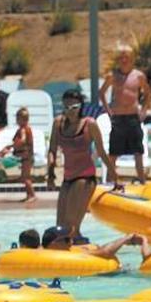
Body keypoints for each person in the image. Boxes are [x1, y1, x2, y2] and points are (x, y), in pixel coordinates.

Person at [48, 89, 114, 240]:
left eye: (74, 108)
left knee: (71, 227)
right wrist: (50, 173)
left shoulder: (89, 124)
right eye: (66, 108)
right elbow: (52, 150)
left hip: (85, 178)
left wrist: (115, 178)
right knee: (60, 226)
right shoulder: (58, 123)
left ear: (81, 106)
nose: (70, 112)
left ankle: (81, 246)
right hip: (68, 178)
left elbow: (102, 152)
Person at [99, 43, 151, 184]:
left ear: (132, 58)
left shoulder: (138, 76)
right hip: (118, 118)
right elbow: (101, 93)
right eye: (121, 57)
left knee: (138, 151)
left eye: (127, 57)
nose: (124, 60)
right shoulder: (113, 76)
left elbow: (147, 93)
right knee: (114, 151)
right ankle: (111, 180)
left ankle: (142, 181)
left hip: (133, 117)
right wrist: (109, 111)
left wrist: (144, 109)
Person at [33, 224, 141, 260]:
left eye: (72, 239)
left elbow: (99, 249)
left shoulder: (42, 251)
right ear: (54, 244)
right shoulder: (71, 256)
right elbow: (105, 253)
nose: (71, 242)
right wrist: (126, 238)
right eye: (67, 239)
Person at [0, 107, 36, 202]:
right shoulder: (25, 129)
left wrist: (11, 146)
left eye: (18, 119)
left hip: (27, 157)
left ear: (22, 120)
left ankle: (32, 195)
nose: (17, 121)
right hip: (26, 157)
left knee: (26, 178)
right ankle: (29, 195)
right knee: (24, 177)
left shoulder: (23, 129)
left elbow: (22, 140)